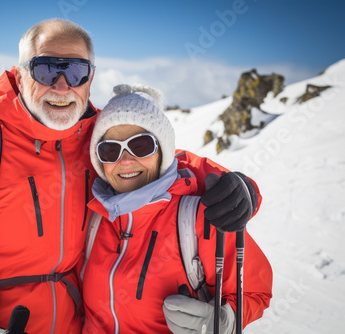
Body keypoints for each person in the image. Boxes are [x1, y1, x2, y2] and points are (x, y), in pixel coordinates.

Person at [0, 18, 268, 334]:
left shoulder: (98, 139)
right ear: (20, 75)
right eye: (46, 68)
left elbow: (161, 162)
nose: (62, 85)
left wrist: (241, 188)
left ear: (90, 78)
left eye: (75, 70)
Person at [81, 84, 272, 333]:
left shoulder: (199, 218)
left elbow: (256, 292)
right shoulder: (92, 216)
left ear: (163, 152)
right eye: (110, 150)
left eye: (140, 146)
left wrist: (225, 320)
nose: (125, 160)